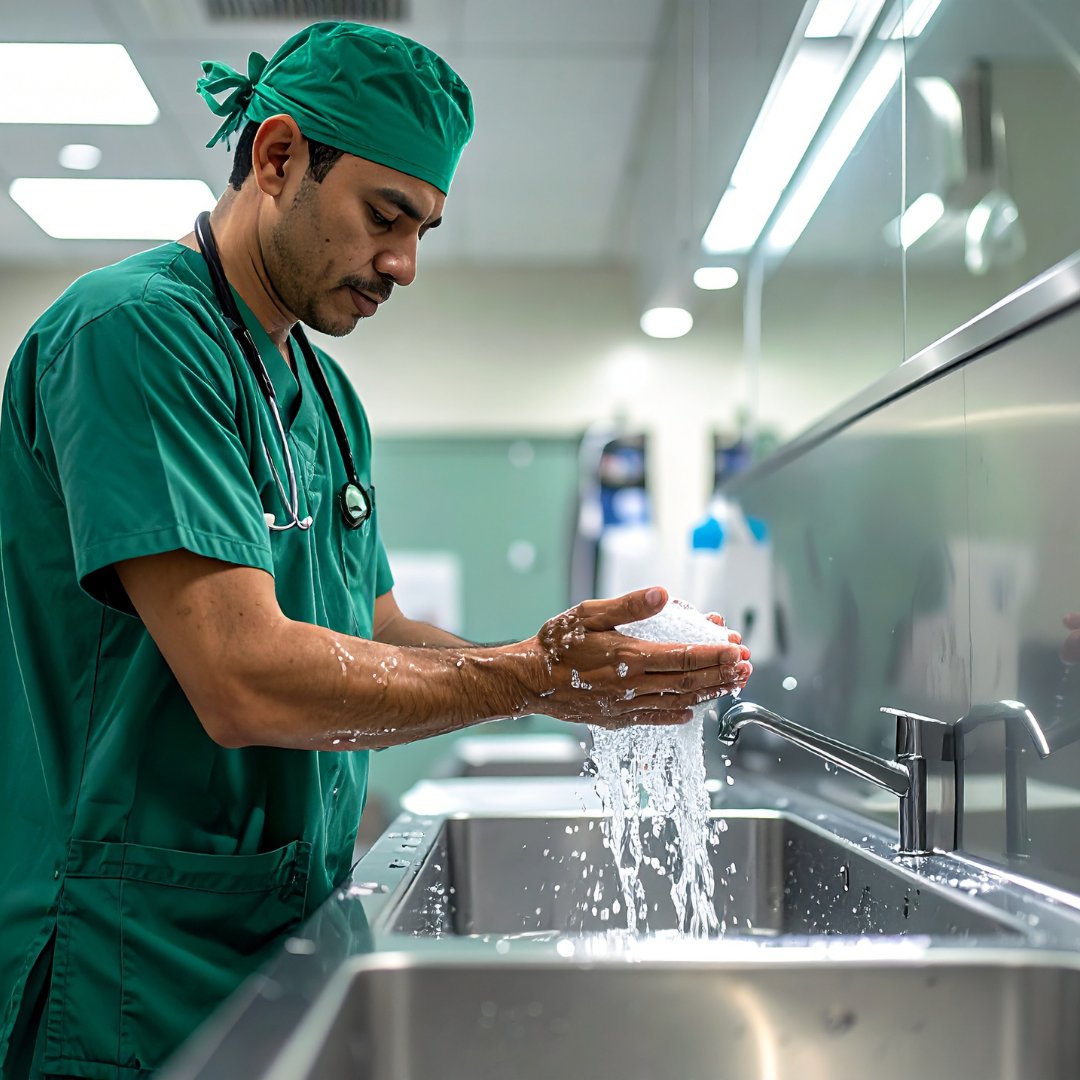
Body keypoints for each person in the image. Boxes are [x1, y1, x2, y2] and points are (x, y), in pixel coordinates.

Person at [0, 22, 751, 1079]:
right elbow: (240, 680)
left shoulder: (324, 394)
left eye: (425, 229)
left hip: (270, 931)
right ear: (277, 158)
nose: (402, 263)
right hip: (126, 959)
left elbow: (377, 625)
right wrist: (526, 678)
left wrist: (556, 674)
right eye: (384, 217)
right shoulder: (132, 334)